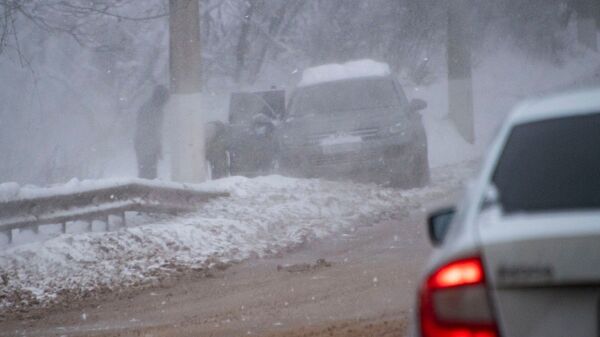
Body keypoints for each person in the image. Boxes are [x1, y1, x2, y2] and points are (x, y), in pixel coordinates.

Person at [134, 85, 169, 179]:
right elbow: (146, 130)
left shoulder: (158, 110)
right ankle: (146, 189)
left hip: (150, 147)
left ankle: (148, 188)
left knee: (150, 173)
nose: (165, 103)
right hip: (145, 146)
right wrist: (154, 145)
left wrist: (158, 146)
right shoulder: (148, 109)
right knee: (146, 172)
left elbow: (157, 130)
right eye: (164, 100)